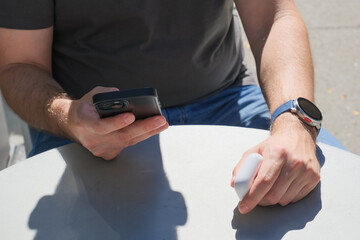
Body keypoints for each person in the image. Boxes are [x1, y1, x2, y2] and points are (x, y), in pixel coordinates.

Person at [0, 0, 343, 214]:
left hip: (227, 98)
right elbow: (19, 65)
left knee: (342, 194)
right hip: (88, 124)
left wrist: (294, 122)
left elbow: (273, 15)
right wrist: (69, 117)